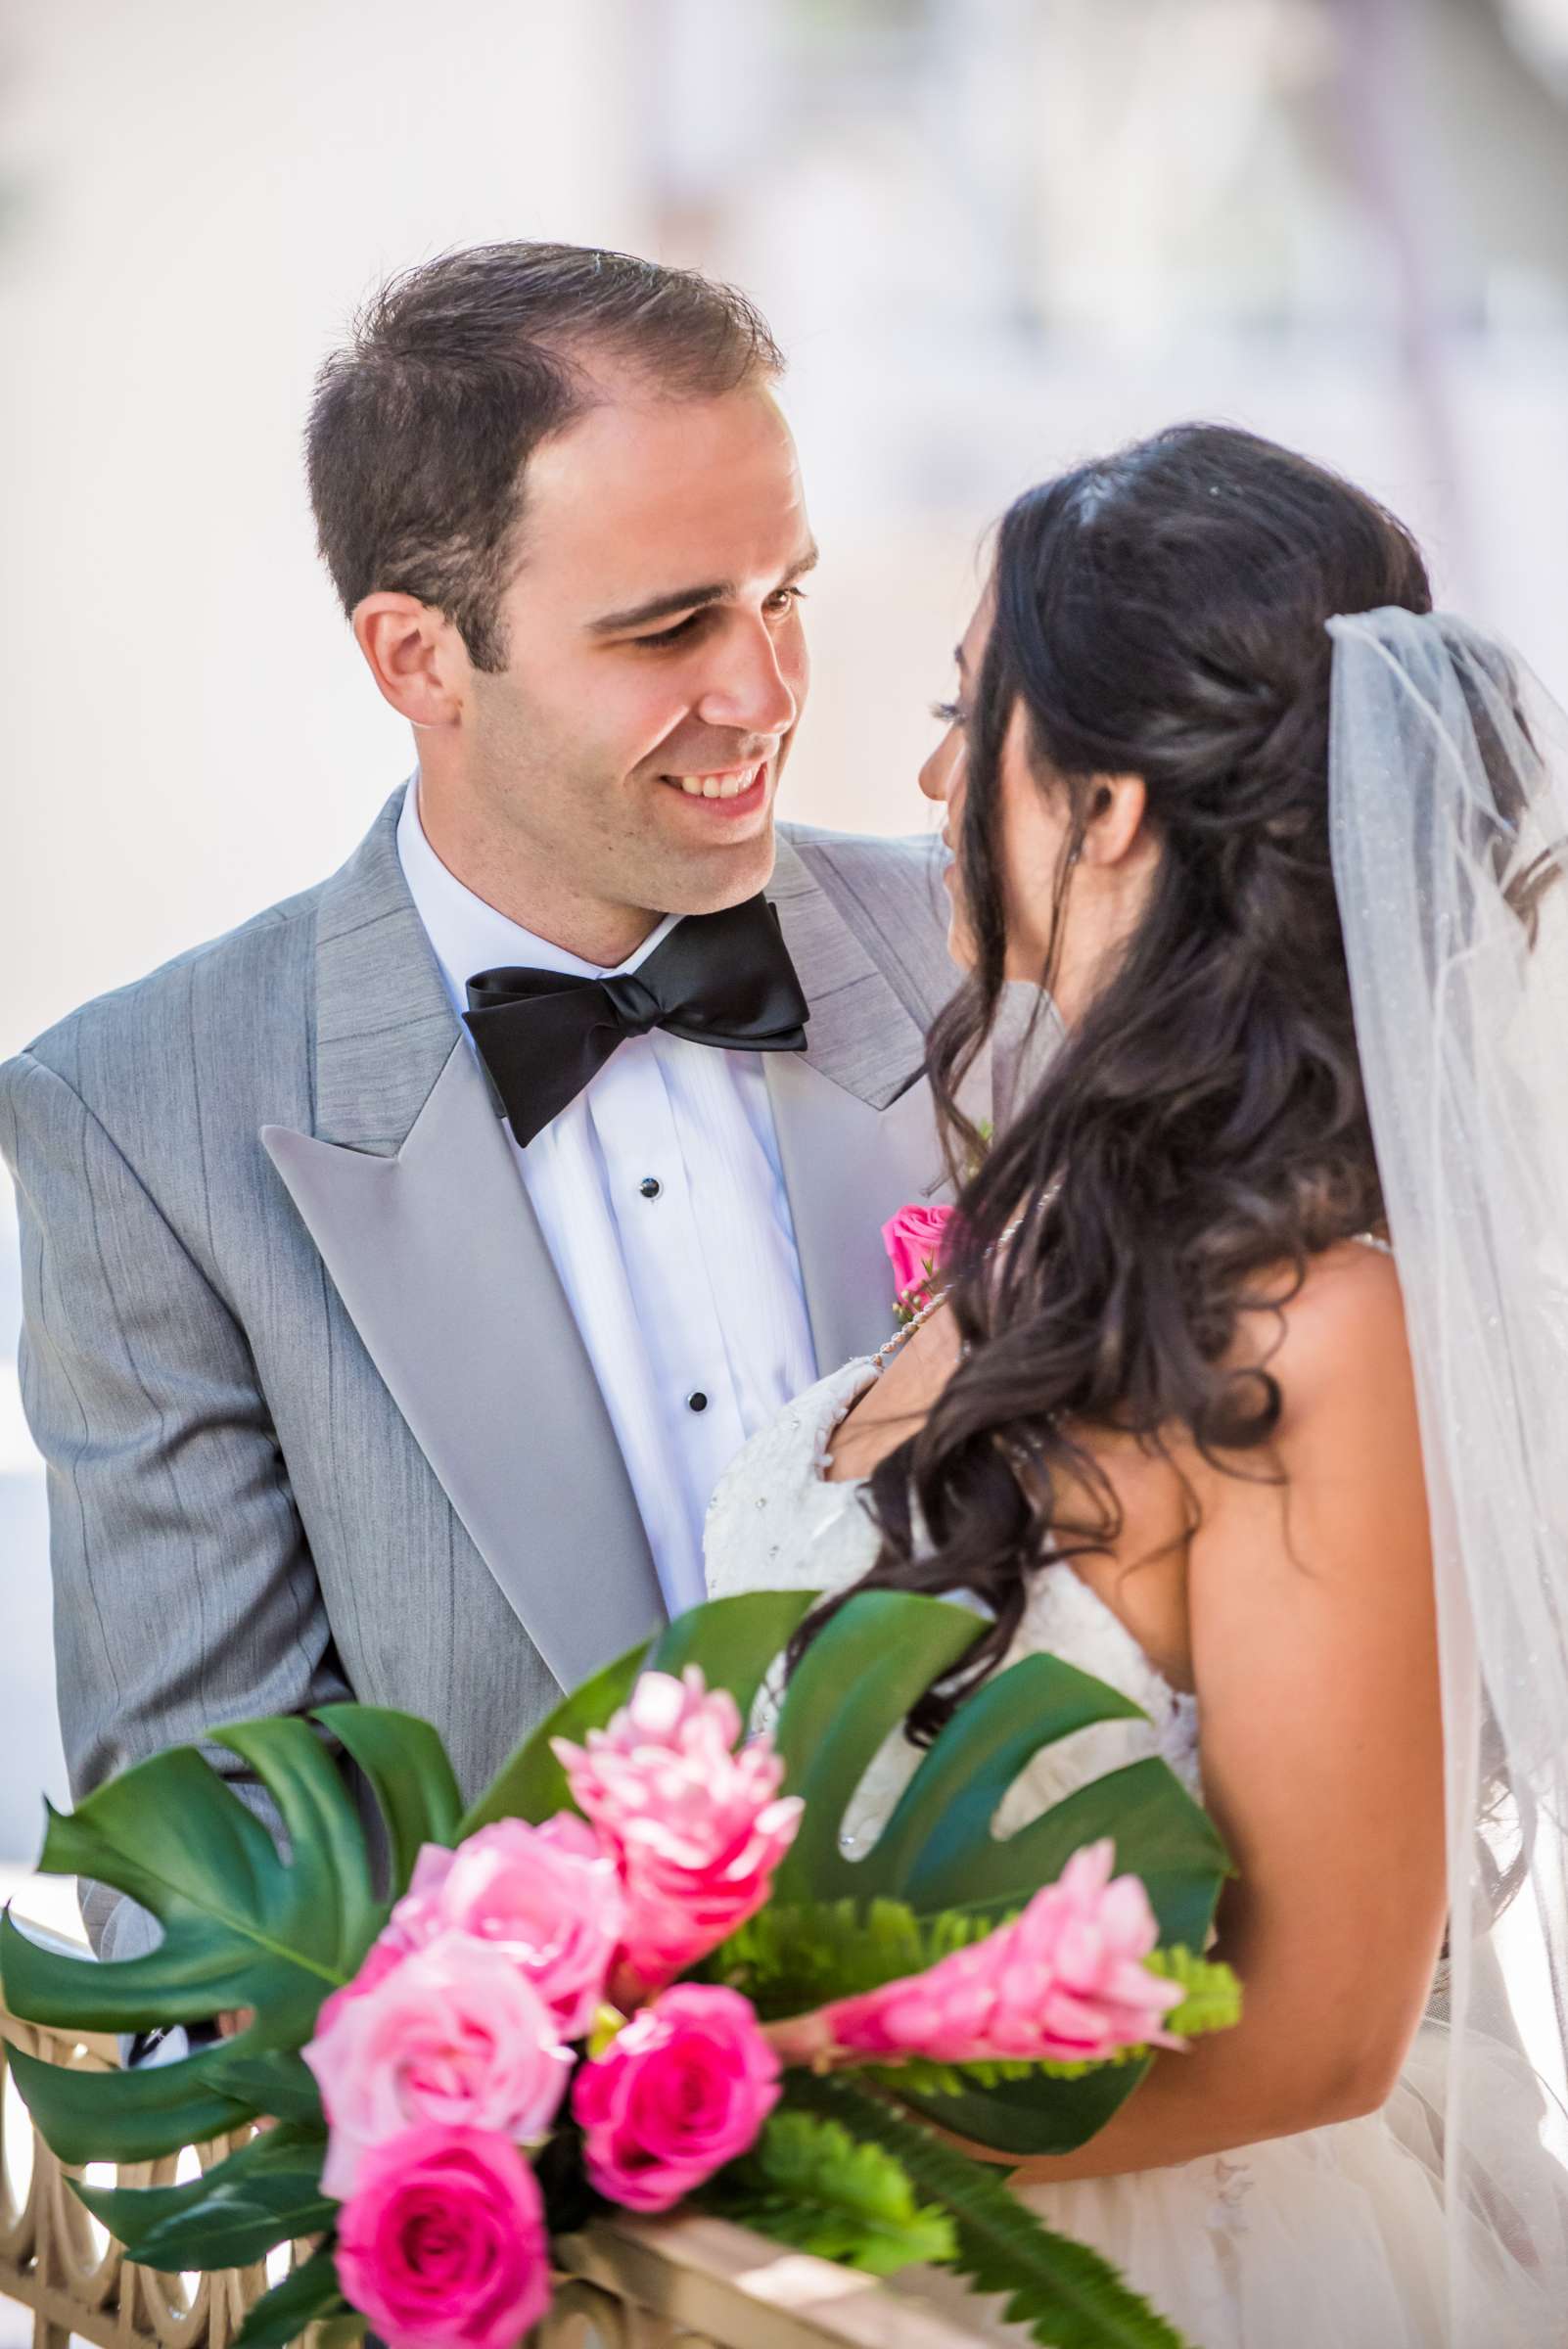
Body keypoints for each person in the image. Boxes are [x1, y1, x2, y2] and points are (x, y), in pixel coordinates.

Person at [0, 242, 1003, 1973]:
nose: (761, 691)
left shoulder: (1010, 953)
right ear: (418, 657)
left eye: (783, 594)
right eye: (667, 624)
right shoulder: (137, 1124)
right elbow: (216, 1869)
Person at [704, 422, 1568, 2344]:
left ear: (1100, 807)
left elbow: (1325, 2029)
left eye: (966, 712)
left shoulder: (1325, 1326)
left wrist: (753, 2121)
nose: (931, 778)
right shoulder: (1030, 1228)